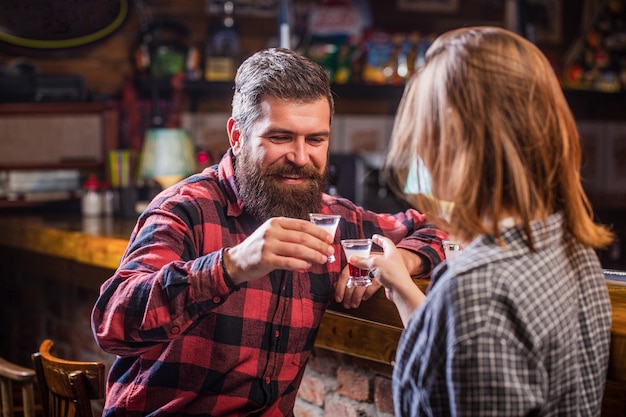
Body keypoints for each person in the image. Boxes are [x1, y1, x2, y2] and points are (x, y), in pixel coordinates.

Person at [91, 47, 446, 416]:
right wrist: (233, 265)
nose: (300, 157)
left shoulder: (331, 218)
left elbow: (438, 227)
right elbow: (112, 323)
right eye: (280, 137)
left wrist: (402, 259)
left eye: (315, 140)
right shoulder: (186, 208)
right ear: (237, 135)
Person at [352, 26, 615, 416]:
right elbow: (454, 353)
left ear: (455, 136)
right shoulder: (569, 247)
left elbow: (473, 318)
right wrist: (402, 287)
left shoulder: (476, 290)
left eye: (426, 126)